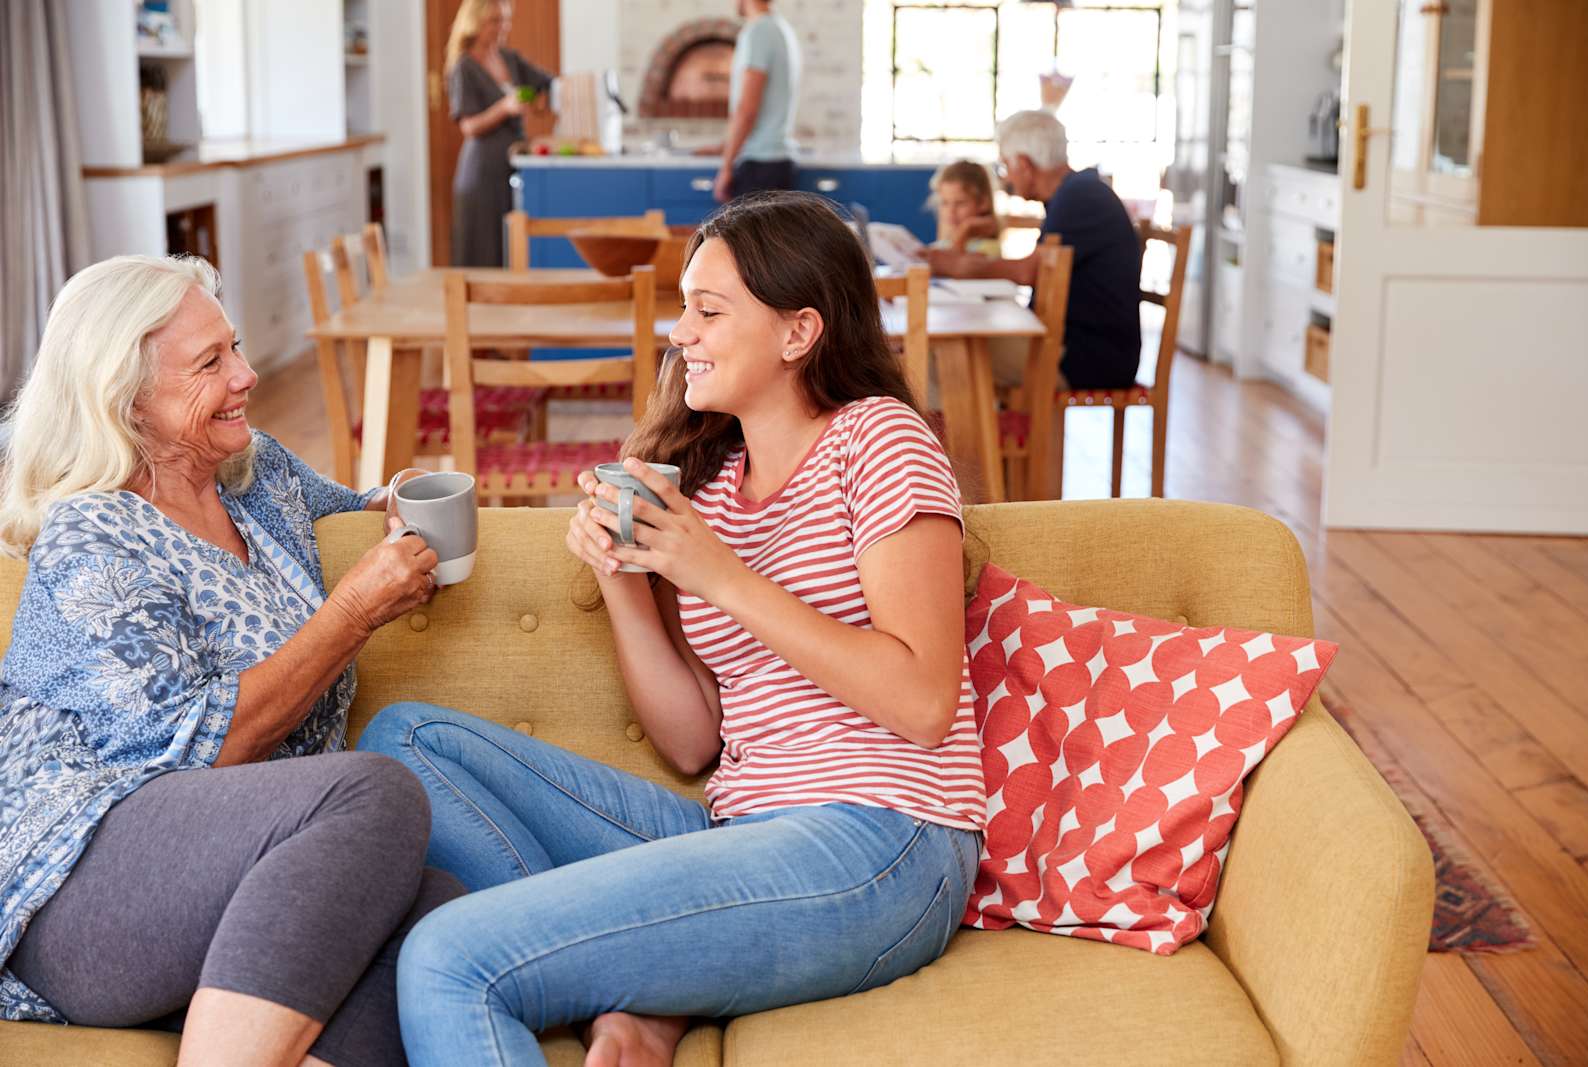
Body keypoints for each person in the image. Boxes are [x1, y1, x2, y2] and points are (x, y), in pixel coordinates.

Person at [356, 193, 985, 1067]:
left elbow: (922, 701)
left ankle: (635, 986)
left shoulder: (877, 439)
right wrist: (623, 579)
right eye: (682, 306)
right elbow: (694, 742)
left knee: (451, 957)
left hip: (883, 842)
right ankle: (643, 977)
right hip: (744, 830)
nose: (679, 331)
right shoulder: (714, 485)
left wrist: (713, 571)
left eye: (708, 310)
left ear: (799, 331)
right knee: (404, 739)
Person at [0, 254, 465, 1065]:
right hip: (81, 883)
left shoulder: (253, 471)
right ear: (125, 395)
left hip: (233, 871)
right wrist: (352, 612)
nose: (247, 375)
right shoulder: (92, 537)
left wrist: (395, 502)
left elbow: (353, 507)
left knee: (438, 915)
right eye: (211, 363)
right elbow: (200, 755)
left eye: (235, 347)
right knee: (375, 792)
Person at [923, 109, 1142, 390]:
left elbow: (1028, 271)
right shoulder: (1075, 193)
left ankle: (968, 435)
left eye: (1006, 166)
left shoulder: (1079, 197)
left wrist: (958, 266)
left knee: (940, 354)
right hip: (1075, 347)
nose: (1007, 178)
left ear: (1024, 164)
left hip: (1087, 358)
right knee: (949, 348)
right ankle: (988, 434)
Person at [446, 0, 552, 266]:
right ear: (475, 22)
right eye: (495, 20)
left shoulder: (509, 58)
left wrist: (539, 103)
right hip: (481, 174)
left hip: (510, 168)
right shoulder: (464, 67)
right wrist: (504, 108)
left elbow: (547, 84)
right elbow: (469, 127)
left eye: (505, 19)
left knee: (510, 249)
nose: (502, 27)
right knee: (484, 253)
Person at [713, 1, 803, 202]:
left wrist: (726, 167)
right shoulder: (781, 28)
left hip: (759, 167)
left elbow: (747, 109)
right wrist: (726, 145)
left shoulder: (758, 32)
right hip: (777, 163)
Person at [930, 160, 1001, 254]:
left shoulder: (989, 249)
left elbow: (952, 264)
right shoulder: (941, 245)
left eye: (960, 203)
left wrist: (966, 229)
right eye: (945, 203)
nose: (951, 211)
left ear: (983, 203)